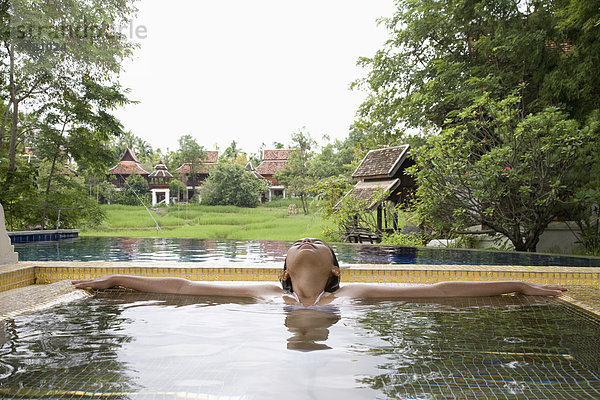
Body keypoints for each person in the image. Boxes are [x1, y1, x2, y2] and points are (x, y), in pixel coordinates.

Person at [72, 237, 567, 307]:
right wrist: (115, 279)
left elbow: (438, 290)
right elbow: (181, 287)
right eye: (297, 245)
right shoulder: (264, 293)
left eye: (316, 244)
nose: (306, 241)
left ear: (334, 268)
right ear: (284, 271)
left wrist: (520, 283)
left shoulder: (355, 294)